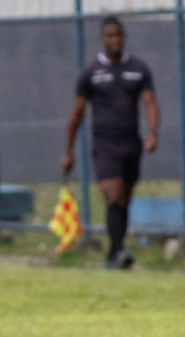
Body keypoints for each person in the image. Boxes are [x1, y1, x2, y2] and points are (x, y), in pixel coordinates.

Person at [62, 16, 160, 269]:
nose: (116, 40)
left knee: (124, 199)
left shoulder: (139, 69)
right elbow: (76, 115)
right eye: (110, 36)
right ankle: (117, 253)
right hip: (105, 144)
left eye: (119, 35)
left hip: (131, 144)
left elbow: (149, 103)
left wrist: (152, 131)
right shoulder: (91, 73)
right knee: (113, 195)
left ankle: (114, 253)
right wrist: (68, 151)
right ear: (101, 39)